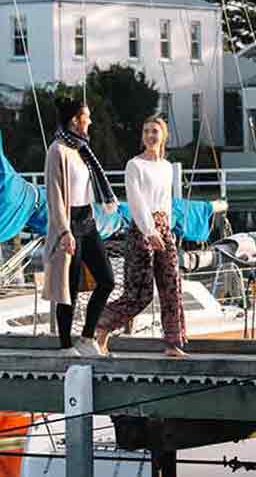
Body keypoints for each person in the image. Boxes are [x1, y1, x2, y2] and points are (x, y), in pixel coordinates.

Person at [95, 115, 189, 357]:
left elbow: (166, 201)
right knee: (140, 292)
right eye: (146, 131)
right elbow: (136, 202)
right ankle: (101, 325)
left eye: (154, 131)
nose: (150, 135)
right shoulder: (134, 165)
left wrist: (167, 230)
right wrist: (149, 231)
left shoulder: (167, 167)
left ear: (163, 135)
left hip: (164, 227)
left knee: (171, 287)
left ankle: (173, 343)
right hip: (142, 230)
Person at [43, 95, 119, 356]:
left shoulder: (82, 148)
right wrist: (64, 231)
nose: (91, 120)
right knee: (69, 288)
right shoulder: (58, 150)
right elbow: (53, 194)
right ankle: (65, 345)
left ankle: (87, 337)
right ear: (75, 120)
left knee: (107, 280)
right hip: (69, 225)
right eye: (87, 116)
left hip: (88, 222)